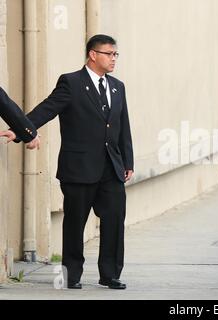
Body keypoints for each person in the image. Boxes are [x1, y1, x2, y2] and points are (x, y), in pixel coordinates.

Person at [10, 35, 134, 290]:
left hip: (111, 168)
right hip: (78, 169)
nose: (114, 59)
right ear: (92, 54)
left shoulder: (117, 87)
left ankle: (110, 274)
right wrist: (22, 129)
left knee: (114, 221)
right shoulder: (72, 83)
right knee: (75, 223)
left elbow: (123, 127)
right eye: (109, 54)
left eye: (115, 54)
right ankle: (72, 275)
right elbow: (48, 108)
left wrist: (127, 161)